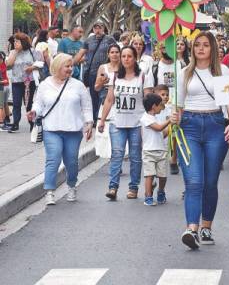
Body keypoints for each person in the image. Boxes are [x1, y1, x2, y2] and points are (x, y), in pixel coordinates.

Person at [176, 31, 229, 249]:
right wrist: (175, 117)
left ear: (213, 48)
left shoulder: (223, 71)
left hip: (215, 125)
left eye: (206, 45)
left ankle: (206, 226)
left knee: (210, 181)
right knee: (194, 181)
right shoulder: (184, 72)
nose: (201, 48)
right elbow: (178, 105)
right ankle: (191, 229)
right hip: (189, 126)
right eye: (197, 45)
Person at [29, 54, 93, 205]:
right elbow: (38, 103)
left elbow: (87, 106)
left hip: (73, 130)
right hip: (51, 129)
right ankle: (50, 191)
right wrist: (34, 112)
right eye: (67, 66)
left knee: (71, 161)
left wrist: (89, 123)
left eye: (72, 66)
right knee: (53, 158)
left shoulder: (78, 85)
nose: (70, 69)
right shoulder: (45, 84)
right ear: (57, 67)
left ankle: (71, 186)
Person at [98, 46, 154, 200]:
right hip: (117, 122)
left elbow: (148, 101)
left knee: (135, 156)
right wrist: (102, 120)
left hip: (137, 123)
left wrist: (150, 123)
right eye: (123, 56)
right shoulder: (115, 76)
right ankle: (113, 187)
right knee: (117, 154)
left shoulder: (143, 76)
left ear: (135, 58)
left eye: (129, 56)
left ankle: (133, 187)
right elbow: (110, 99)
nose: (126, 59)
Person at [76, 21, 116, 124]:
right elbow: (81, 53)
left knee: (104, 95)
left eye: (100, 28)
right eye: (95, 28)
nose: (97, 30)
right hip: (92, 73)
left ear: (103, 28)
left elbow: (115, 52)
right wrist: (71, 63)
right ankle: (94, 118)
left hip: (105, 72)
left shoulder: (109, 39)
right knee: (94, 96)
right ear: (93, 29)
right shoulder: (88, 40)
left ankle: (102, 117)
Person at [140, 93, 174, 206]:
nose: (162, 107)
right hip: (149, 151)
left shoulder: (155, 118)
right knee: (149, 175)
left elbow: (162, 134)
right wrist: (169, 121)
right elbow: (158, 128)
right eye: (160, 105)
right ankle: (148, 196)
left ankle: (161, 191)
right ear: (154, 106)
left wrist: (171, 127)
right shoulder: (145, 118)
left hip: (161, 149)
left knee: (162, 175)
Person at [6, 33, 43, 133]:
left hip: (28, 82)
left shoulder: (32, 51)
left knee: (28, 103)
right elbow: (8, 65)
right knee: (16, 103)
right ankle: (15, 123)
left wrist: (32, 68)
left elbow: (41, 63)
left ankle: (32, 123)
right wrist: (15, 52)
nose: (15, 43)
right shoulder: (13, 52)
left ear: (23, 42)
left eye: (17, 41)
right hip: (16, 81)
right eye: (14, 41)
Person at [94, 44, 121, 114]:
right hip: (105, 100)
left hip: (121, 102)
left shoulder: (124, 67)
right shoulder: (103, 67)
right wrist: (102, 82)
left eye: (117, 52)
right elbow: (96, 88)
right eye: (112, 52)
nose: (114, 54)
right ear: (108, 55)